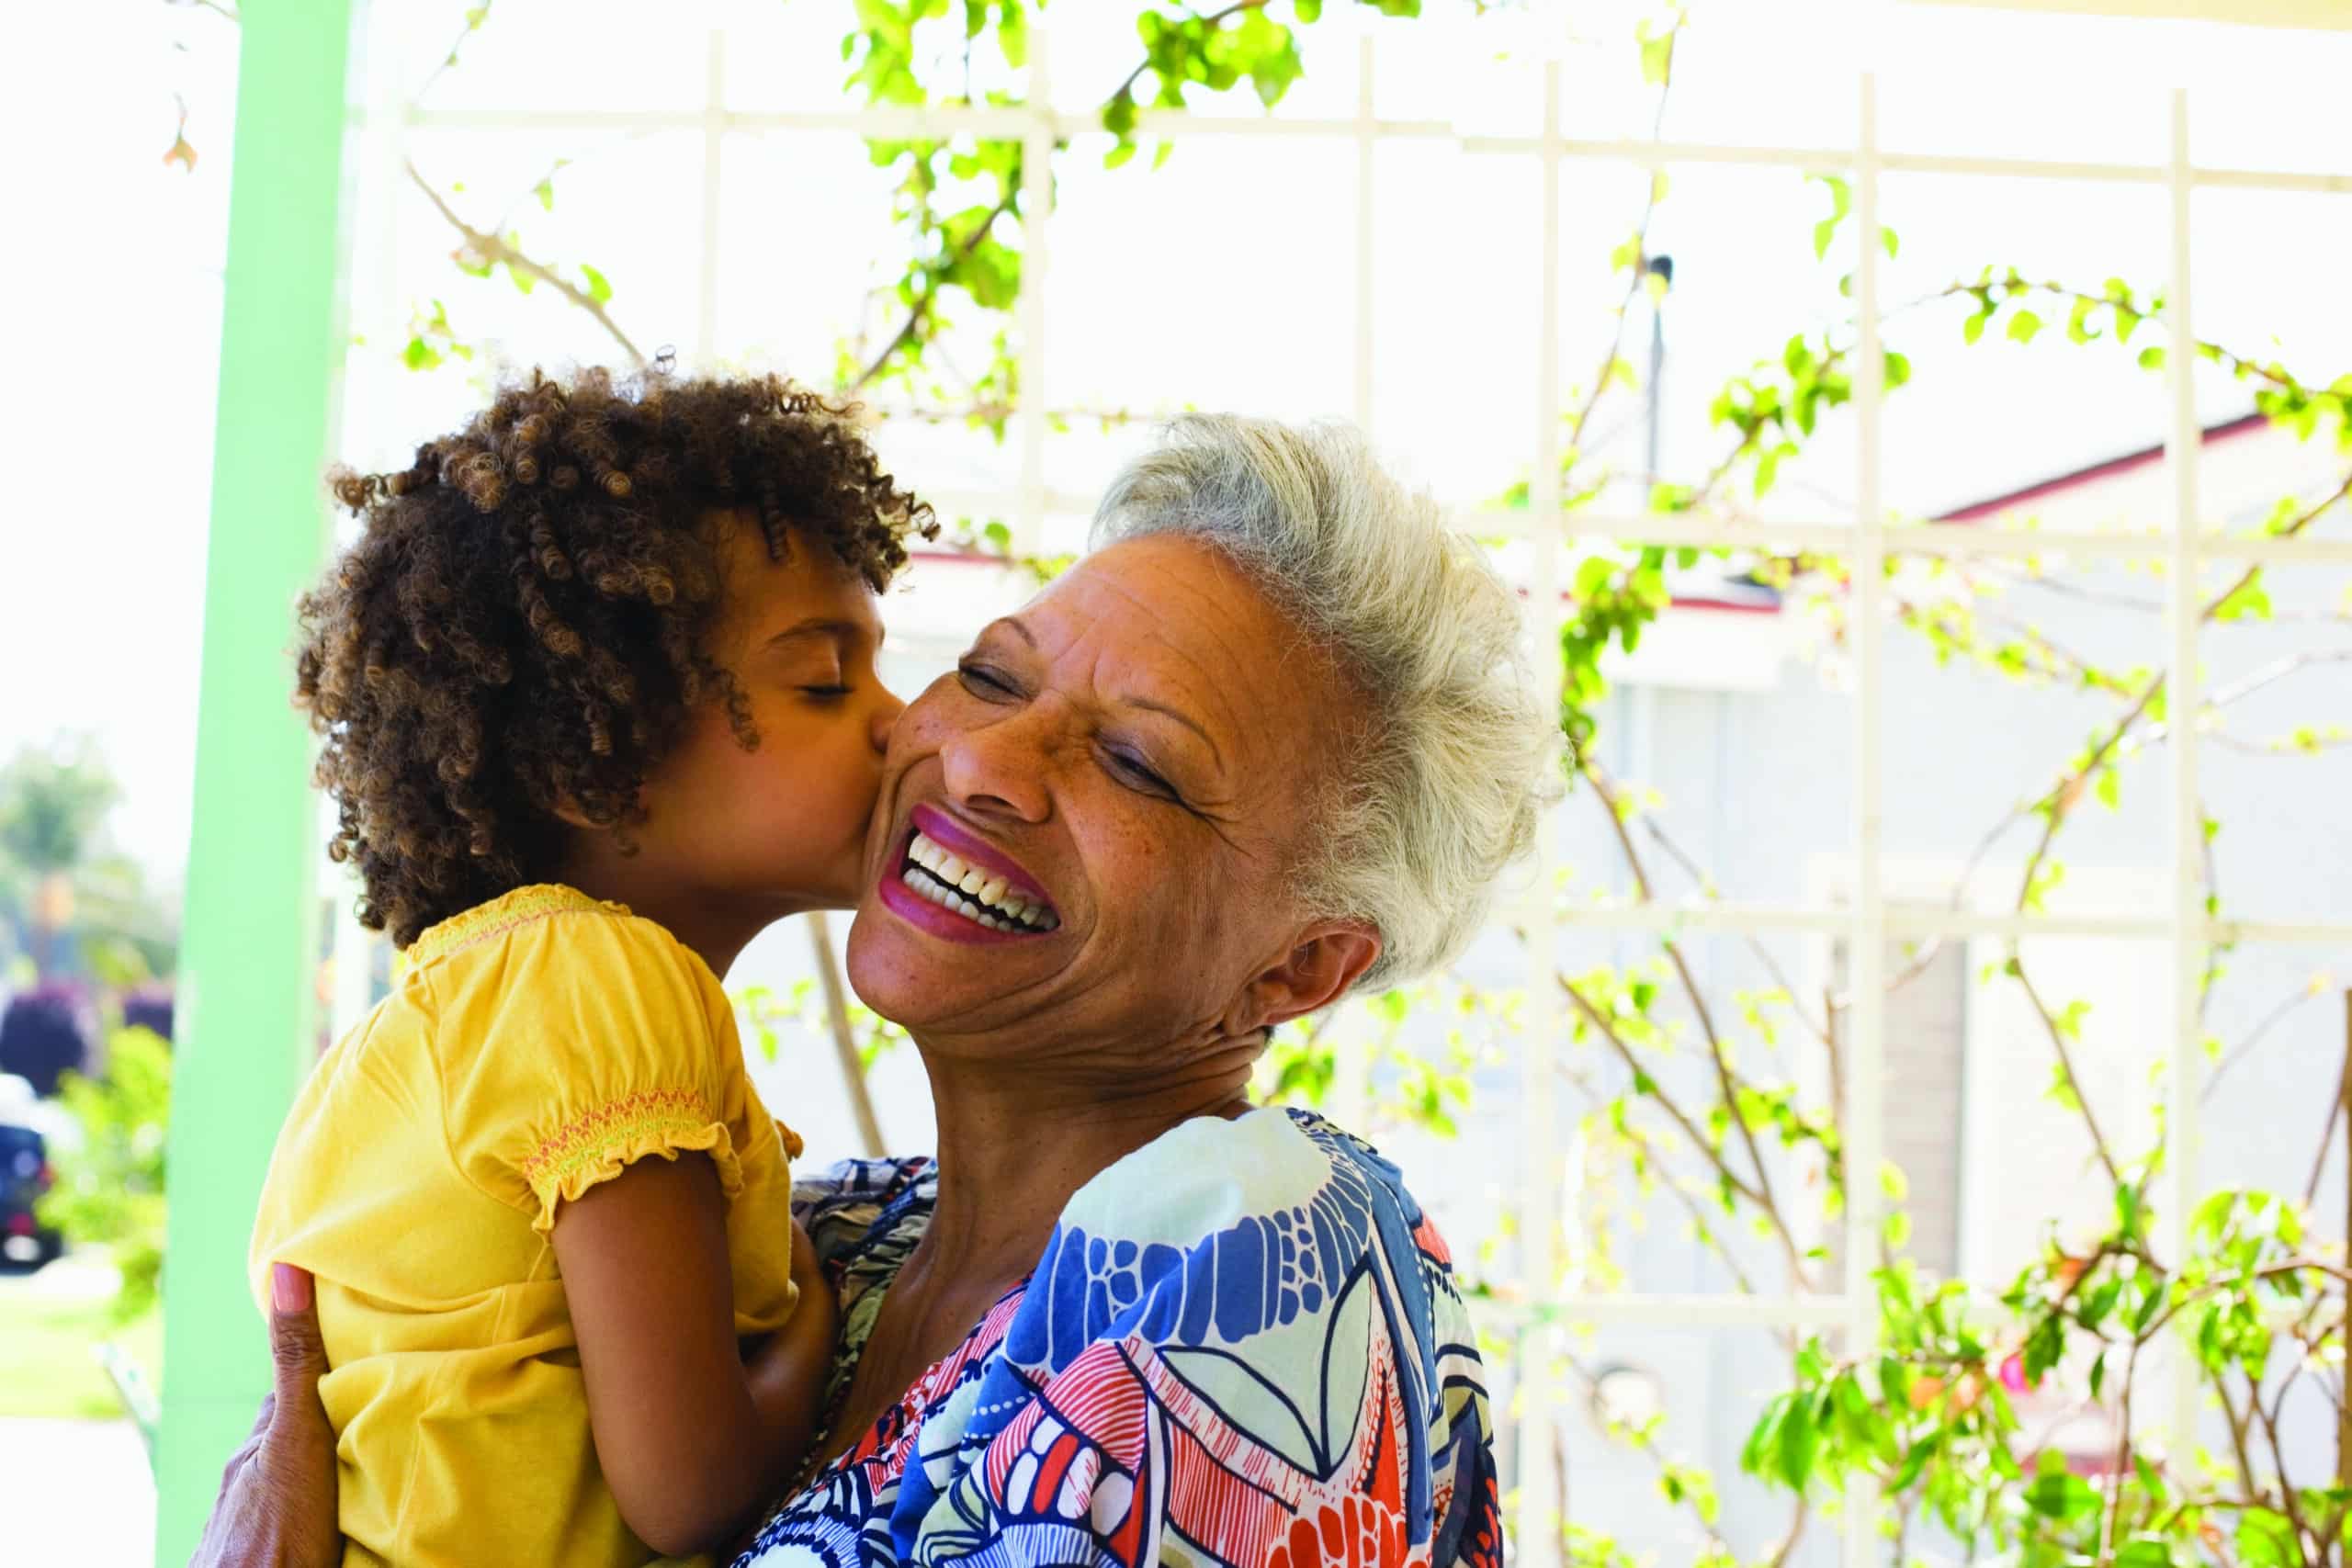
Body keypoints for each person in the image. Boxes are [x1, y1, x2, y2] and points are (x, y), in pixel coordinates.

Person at [201, 413, 1554, 1568]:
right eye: (990, 675)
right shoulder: (835, 1239)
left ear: (1300, 964)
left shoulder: (1247, 1268)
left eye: (1137, 763)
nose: (979, 763)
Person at [245, 367, 929, 1565]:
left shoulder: (449, 1018)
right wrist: (826, 1332)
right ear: (591, 760)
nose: (900, 720)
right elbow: (691, 1491)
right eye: (825, 678)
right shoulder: (605, 983)